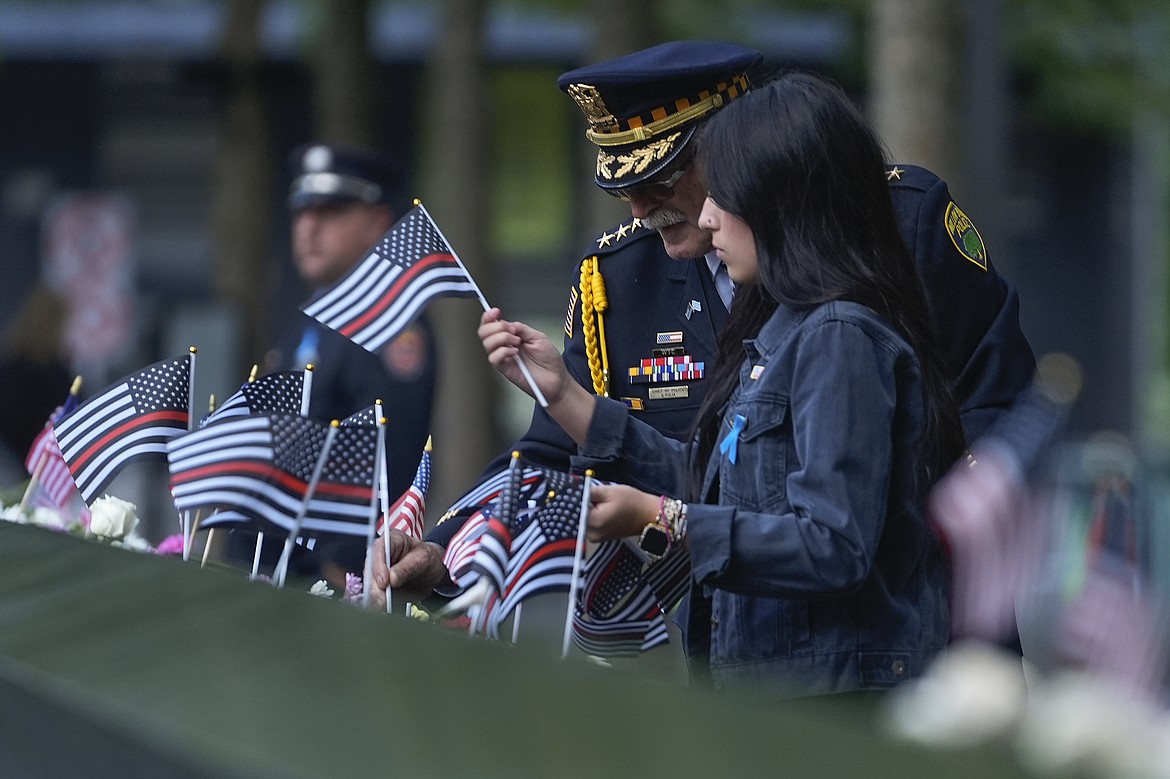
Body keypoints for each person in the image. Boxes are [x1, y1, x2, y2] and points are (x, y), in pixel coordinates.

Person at [371, 40, 1034, 605]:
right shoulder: (620, 280)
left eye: (664, 175)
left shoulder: (898, 224)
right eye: (623, 187)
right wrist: (441, 551)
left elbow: (999, 415)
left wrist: (917, 546)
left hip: (916, 627)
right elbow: (569, 460)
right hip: (740, 651)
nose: (640, 205)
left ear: (746, 151)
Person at [479, 71, 965, 696]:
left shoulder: (840, 335)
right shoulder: (787, 328)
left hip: (836, 712)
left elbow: (833, 544)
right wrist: (567, 397)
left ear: (781, 201)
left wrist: (663, 518)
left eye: (724, 194)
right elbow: (723, 485)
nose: (706, 217)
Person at [237, 143, 438, 581]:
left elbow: (390, 458)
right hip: (271, 565)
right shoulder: (313, 318)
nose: (308, 228)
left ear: (376, 223)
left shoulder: (389, 325)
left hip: (321, 582)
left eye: (328, 213)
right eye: (302, 213)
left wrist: (343, 570)